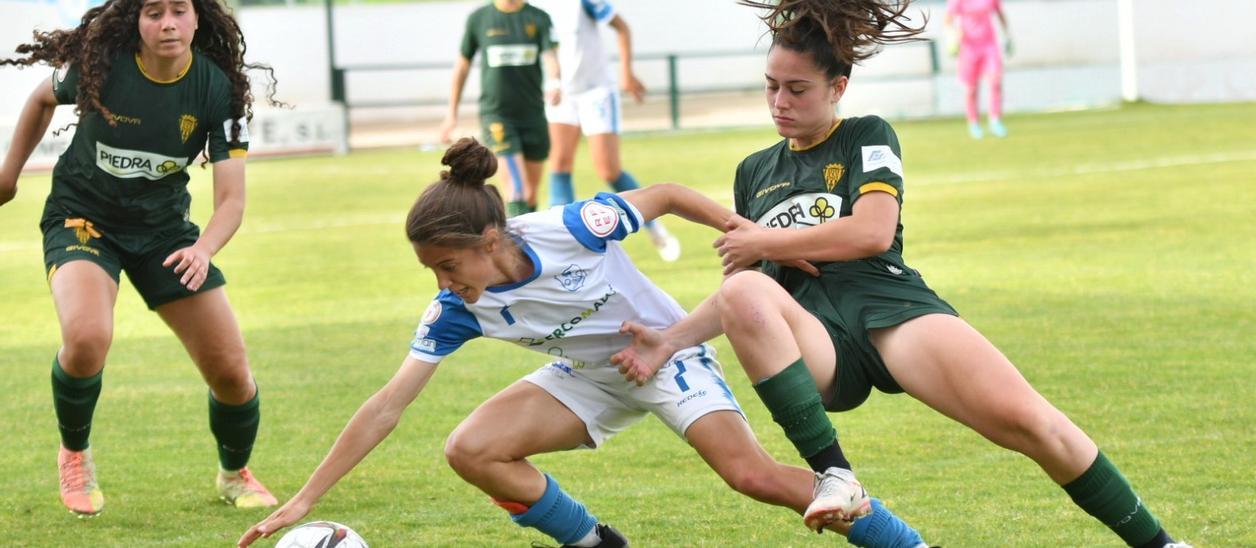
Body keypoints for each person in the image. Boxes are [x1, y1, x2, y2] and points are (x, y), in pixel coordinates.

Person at [612, 1, 1189, 546]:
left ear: (838, 87)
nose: (779, 102)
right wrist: (670, 339)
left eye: (797, 89)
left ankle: (1161, 543)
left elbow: (872, 232)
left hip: (888, 307)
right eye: (771, 86)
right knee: (741, 288)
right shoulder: (755, 170)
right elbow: (749, 295)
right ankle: (835, 475)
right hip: (817, 338)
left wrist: (769, 239)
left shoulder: (867, 135)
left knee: (1032, 423)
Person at [237, 138, 930, 548]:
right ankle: (596, 544)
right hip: (589, 376)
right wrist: (304, 498)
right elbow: (388, 405)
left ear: (490, 241)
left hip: (669, 354)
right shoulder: (457, 309)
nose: (443, 284)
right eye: (432, 273)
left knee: (752, 478)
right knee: (471, 450)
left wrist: (748, 234)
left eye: (447, 266)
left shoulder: (568, 227)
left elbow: (660, 194)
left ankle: (901, 540)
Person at [0, 0, 279, 517]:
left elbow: (232, 202)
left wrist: (203, 249)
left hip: (165, 234)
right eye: (153, 12)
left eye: (179, 10)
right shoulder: (102, 64)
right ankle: (75, 454)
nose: (167, 23)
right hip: (82, 219)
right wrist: (8, 175)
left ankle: (234, 473)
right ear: (136, 21)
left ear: (199, 18)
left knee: (233, 375)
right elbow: (41, 100)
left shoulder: (220, 91)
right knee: (86, 338)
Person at [541, 0, 681, 262]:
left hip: (596, 91)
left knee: (608, 169)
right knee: (559, 164)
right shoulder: (534, 6)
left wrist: (626, 72)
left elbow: (622, 28)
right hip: (561, 92)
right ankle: (563, 245)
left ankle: (654, 226)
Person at [439, 0, 561, 216]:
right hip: (497, 116)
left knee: (530, 194)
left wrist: (555, 83)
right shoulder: (479, 18)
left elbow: (551, 57)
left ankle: (524, 243)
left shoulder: (539, 17)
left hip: (533, 116)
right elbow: (462, 66)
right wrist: (451, 114)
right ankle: (513, 248)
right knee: (517, 190)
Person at [944, 0, 1011, 139]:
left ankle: (995, 120)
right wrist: (951, 38)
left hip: (989, 45)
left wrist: (1007, 36)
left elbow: (1000, 14)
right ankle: (974, 123)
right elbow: (948, 20)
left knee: (995, 81)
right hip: (968, 47)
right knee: (971, 88)